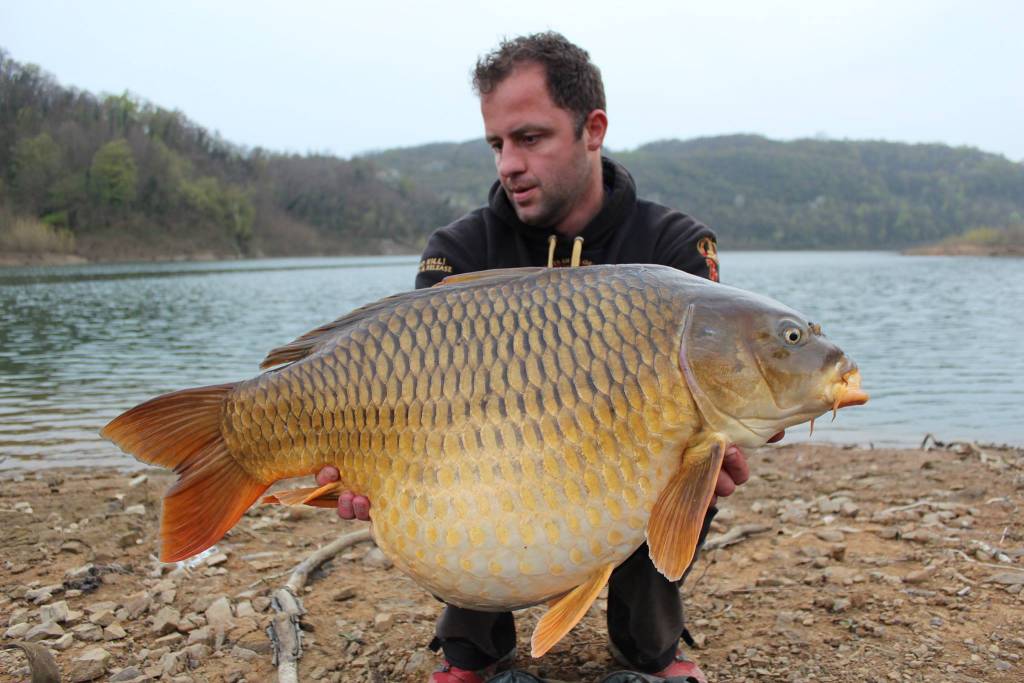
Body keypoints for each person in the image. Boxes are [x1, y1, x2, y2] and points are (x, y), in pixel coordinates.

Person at [317, 32, 780, 683]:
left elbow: (726, 376)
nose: (509, 164)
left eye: (530, 138)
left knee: (681, 451)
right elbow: (421, 404)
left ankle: (649, 641)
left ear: (594, 130)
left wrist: (740, 428)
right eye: (497, 144)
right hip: (490, 450)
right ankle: (473, 649)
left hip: (620, 448)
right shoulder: (459, 250)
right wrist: (367, 468)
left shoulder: (671, 245)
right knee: (451, 463)